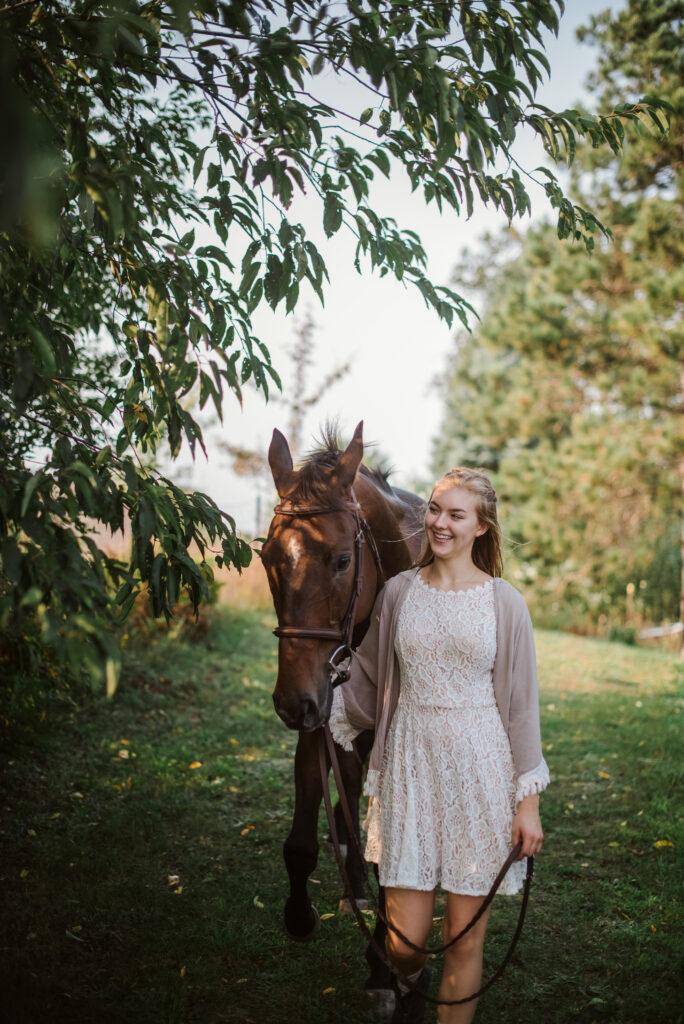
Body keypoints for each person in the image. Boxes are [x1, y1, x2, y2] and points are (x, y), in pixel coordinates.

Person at [329, 468, 549, 1023]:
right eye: (434, 509)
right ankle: (408, 977)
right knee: (404, 941)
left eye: (456, 514)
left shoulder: (506, 603)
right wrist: (320, 694)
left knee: (463, 938)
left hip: (481, 769)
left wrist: (528, 803)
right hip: (408, 765)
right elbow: (370, 677)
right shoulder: (399, 593)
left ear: (481, 526)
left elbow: (521, 708)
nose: (440, 523)